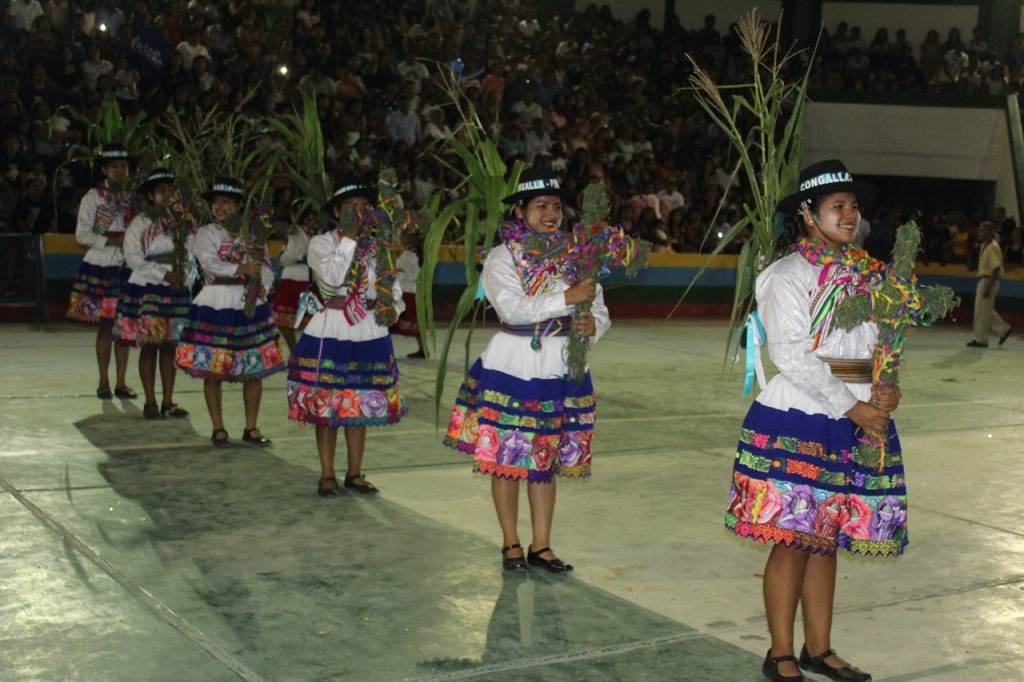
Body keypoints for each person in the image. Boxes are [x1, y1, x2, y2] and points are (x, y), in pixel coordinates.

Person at [725, 160, 905, 682]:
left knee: (825, 539)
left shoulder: (867, 274)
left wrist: (885, 384)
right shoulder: (785, 276)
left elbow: (873, 345)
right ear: (808, 215)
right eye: (838, 207)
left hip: (857, 409)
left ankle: (819, 648)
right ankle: (780, 651)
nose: (850, 216)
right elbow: (793, 355)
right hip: (803, 415)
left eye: (853, 206)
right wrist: (854, 406)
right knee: (793, 536)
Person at [443, 168, 607, 574]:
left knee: (544, 458)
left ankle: (542, 544)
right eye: (541, 206)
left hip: (559, 364)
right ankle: (511, 542)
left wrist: (592, 326)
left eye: (556, 206)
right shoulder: (503, 256)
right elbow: (512, 309)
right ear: (520, 211)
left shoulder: (577, 255)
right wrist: (567, 297)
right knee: (507, 457)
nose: (551, 213)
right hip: (514, 362)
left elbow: (598, 307)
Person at [285, 176, 408, 497]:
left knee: (359, 402)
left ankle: (355, 472)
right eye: (351, 208)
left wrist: (395, 306)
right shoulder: (321, 244)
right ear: (337, 212)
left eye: (365, 208)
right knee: (327, 405)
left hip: (368, 328)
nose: (359, 213)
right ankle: (327, 473)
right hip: (333, 326)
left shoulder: (378, 246)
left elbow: (389, 284)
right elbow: (333, 278)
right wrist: (350, 238)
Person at [176, 177, 284, 446]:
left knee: (254, 366)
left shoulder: (252, 233)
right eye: (216, 202)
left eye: (226, 201)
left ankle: (251, 427)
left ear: (238, 205)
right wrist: (240, 269)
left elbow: (266, 265)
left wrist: (263, 286)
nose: (220, 206)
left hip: (247, 302)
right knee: (213, 366)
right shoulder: (206, 232)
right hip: (217, 301)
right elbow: (209, 263)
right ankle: (218, 428)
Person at [114, 168, 193, 419]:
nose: (167, 195)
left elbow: (193, 252)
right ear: (150, 195)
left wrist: (184, 269)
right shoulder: (141, 223)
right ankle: (150, 401)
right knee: (150, 345)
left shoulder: (182, 222)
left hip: (176, 287)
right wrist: (162, 274)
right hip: (149, 286)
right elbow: (133, 258)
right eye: (161, 191)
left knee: (170, 346)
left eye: (170, 191)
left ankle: (168, 401)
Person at [67, 144, 137, 400]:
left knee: (124, 326)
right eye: (114, 166)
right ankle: (103, 381)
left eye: (123, 166)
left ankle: (121, 381)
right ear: (105, 170)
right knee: (105, 327)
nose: (119, 170)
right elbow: (82, 234)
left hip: (128, 266)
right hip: (101, 265)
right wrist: (113, 240)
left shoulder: (135, 198)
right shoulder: (93, 197)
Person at [271, 198, 318, 354]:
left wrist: (281, 260)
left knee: (284, 319)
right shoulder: (316, 229)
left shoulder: (297, 230)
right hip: (311, 276)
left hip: (295, 276)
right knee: (307, 319)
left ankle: (296, 350)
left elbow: (293, 253)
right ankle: (303, 351)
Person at [967, 220, 1012, 348]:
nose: (979, 232)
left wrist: (988, 285)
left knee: (981, 311)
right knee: (985, 309)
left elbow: (996, 267)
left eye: (982, 230)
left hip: (988, 279)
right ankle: (1003, 330)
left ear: (990, 232)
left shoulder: (992, 246)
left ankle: (981, 339)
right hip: (984, 278)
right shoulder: (984, 246)